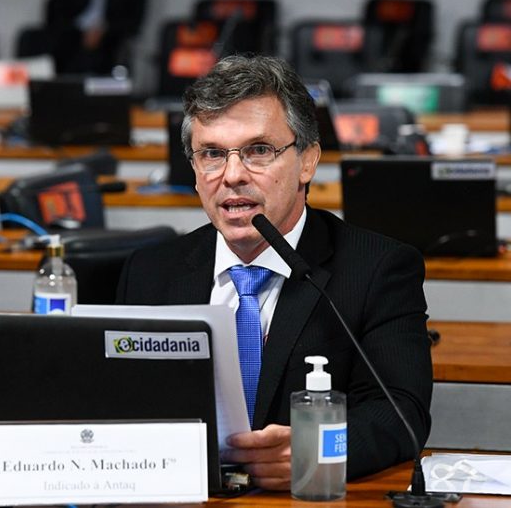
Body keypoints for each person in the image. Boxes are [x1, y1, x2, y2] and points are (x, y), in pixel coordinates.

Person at [116, 55, 433, 490]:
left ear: (307, 162)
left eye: (259, 151)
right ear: (193, 169)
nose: (232, 176)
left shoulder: (377, 268)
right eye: (211, 154)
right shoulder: (149, 271)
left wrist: (317, 448)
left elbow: (401, 410)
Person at [43, 0, 148, 75]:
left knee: (93, 51)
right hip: (76, 29)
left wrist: (103, 30)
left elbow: (133, 19)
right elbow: (66, 2)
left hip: (109, 32)